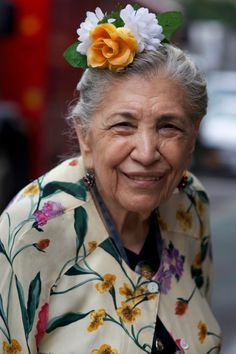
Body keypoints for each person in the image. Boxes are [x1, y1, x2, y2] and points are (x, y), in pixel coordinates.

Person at [0, 4, 221, 354]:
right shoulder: (31, 230)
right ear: (85, 136)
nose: (147, 152)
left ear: (193, 136)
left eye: (169, 126)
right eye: (123, 125)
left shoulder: (191, 203)